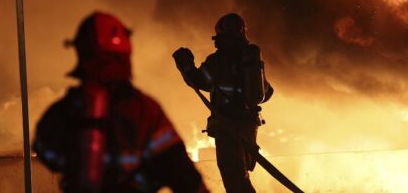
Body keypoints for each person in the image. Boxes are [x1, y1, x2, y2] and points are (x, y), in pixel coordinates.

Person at [33, 12, 207, 193]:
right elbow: (184, 176)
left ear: (81, 54)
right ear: (125, 52)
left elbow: (44, 151)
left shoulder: (66, 108)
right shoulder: (145, 110)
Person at [173, 13, 273, 193]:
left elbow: (198, 81)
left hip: (228, 128)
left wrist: (185, 65)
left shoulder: (217, 61)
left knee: (234, 180)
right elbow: (266, 93)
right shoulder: (251, 59)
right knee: (240, 177)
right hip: (249, 127)